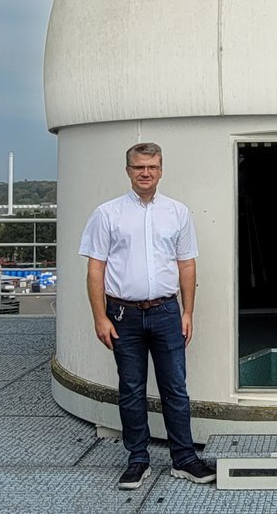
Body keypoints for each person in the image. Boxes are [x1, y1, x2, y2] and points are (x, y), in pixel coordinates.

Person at [79, 142, 216, 490]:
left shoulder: (177, 212)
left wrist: (188, 311)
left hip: (167, 312)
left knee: (175, 389)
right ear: (128, 170)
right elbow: (96, 269)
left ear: (161, 169)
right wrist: (100, 318)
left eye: (152, 167)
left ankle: (184, 458)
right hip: (123, 314)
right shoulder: (107, 213)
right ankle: (137, 459)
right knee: (131, 389)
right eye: (139, 167)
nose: (145, 173)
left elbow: (187, 264)